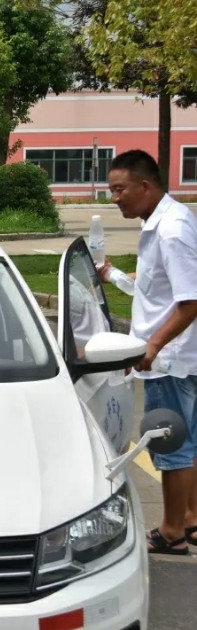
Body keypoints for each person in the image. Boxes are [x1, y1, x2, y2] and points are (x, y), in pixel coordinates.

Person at [101, 149, 197, 555]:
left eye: (119, 189)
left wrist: (153, 345)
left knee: (170, 443)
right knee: (187, 441)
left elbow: (191, 299)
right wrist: (112, 275)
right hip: (176, 358)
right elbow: (156, 287)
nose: (114, 198)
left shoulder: (172, 229)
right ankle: (190, 518)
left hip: (168, 361)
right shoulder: (163, 223)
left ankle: (173, 530)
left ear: (145, 185)